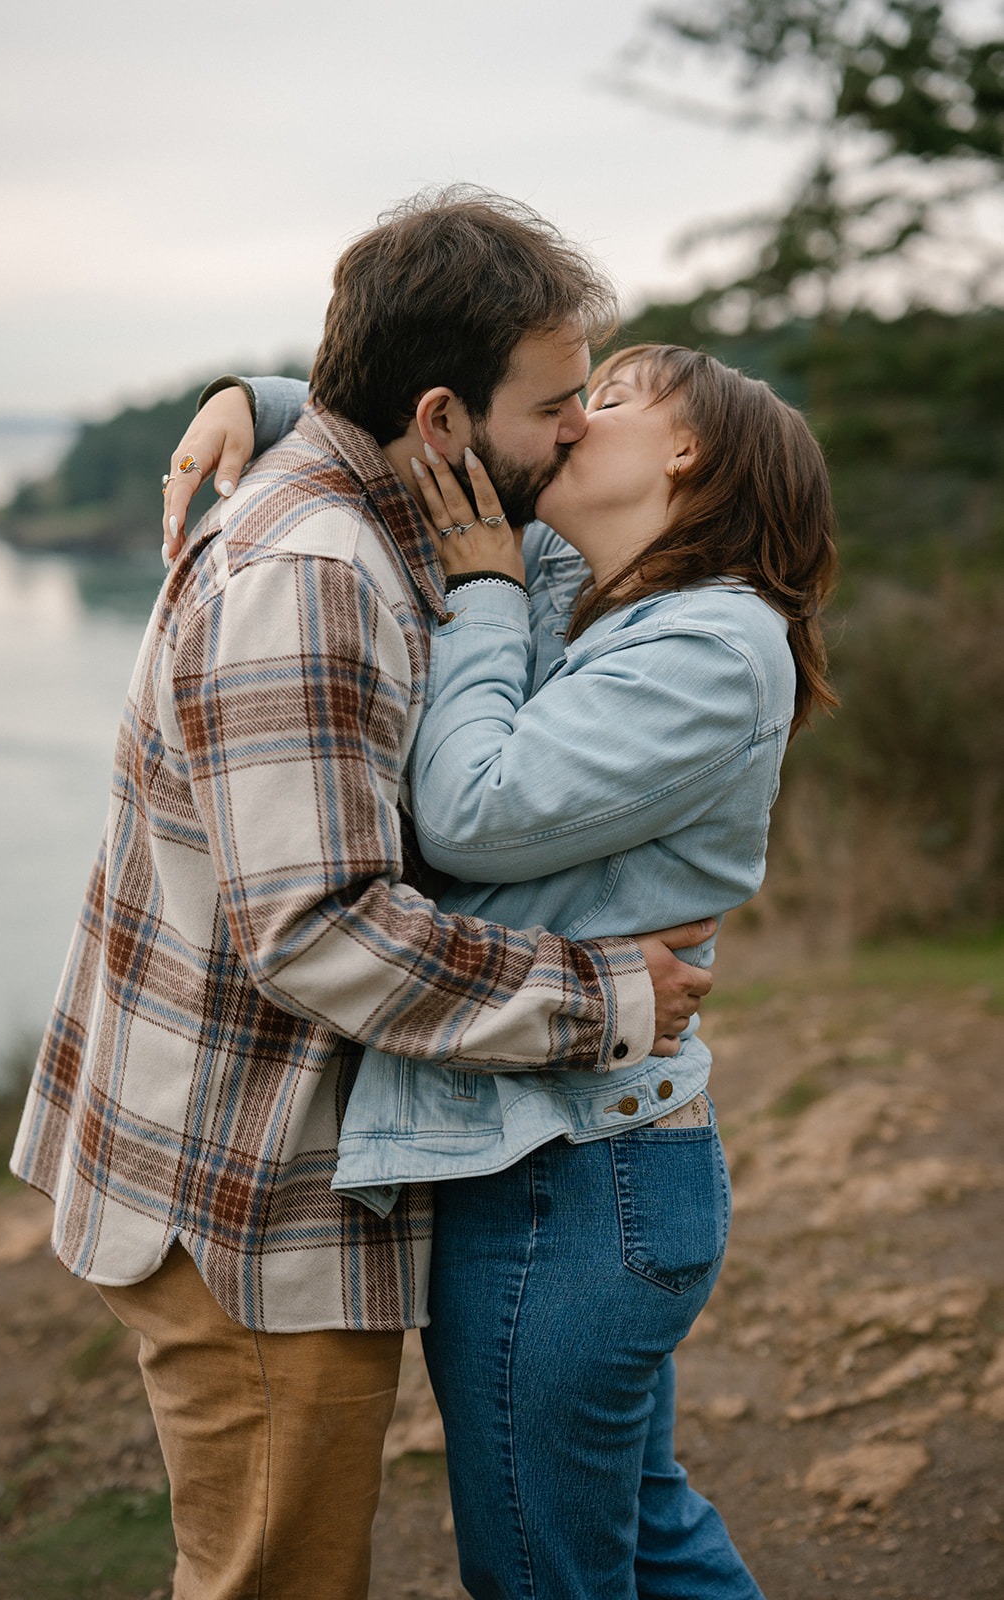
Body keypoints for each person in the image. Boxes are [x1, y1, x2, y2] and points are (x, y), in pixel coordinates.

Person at [10, 191, 714, 1600]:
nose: (576, 427)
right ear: (443, 417)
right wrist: (608, 998)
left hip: (255, 1167)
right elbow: (320, 934)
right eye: (556, 404)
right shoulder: (313, 574)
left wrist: (256, 394)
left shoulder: (377, 488)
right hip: (243, 1198)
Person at [171, 341, 837, 1598]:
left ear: (684, 451)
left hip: (574, 1182)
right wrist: (253, 400)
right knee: (645, 1538)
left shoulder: (707, 644)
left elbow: (470, 812)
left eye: (610, 399)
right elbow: (442, 408)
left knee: (541, 1574)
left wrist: (477, 596)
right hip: (543, 1151)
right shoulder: (578, 576)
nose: (571, 423)